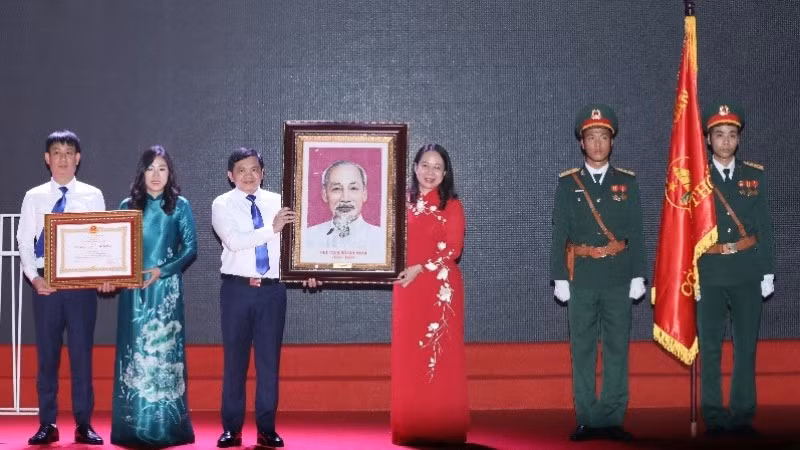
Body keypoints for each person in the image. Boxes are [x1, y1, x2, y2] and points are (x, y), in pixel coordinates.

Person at [549, 105, 646, 442]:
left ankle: (613, 417)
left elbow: (637, 230)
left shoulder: (627, 182)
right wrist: (559, 276)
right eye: (591, 138)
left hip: (619, 276)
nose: (598, 144)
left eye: (604, 137)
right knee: (584, 349)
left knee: (618, 348)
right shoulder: (568, 184)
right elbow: (558, 232)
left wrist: (639, 275)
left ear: (612, 142)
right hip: (582, 278)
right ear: (582, 143)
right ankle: (587, 417)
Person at [17, 130, 107, 445]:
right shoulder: (34, 196)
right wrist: (33, 276)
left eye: (69, 152)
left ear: (78, 158)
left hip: (82, 287)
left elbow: (102, 240)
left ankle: (84, 424)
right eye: (57, 152)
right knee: (47, 358)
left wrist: (105, 272)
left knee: (81, 356)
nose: (63, 159)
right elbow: (24, 240)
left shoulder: (93, 195)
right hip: (46, 285)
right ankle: (48, 423)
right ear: (47, 159)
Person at [696, 102, 775, 437]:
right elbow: (685, 229)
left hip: (745, 270)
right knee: (710, 347)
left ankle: (743, 414)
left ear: (738, 139)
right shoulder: (696, 179)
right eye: (719, 135)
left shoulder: (753, 175)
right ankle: (713, 415)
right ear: (708, 139)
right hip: (710, 271)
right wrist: (691, 273)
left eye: (731, 135)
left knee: (745, 346)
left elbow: (765, 228)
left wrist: (768, 271)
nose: (725, 141)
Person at [110, 146, 197, 446]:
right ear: (141, 173)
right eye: (150, 168)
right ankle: (131, 426)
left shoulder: (180, 206)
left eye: (162, 168)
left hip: (166, 291)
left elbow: (190, 249)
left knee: (164, 353)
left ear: (170, 172)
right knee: (133, 352)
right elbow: (116, 252)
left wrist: (163, 270)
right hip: (133, 293)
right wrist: (119, 275)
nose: (156, 174)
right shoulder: (127, 205)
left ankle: (167, 428)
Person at [211, 148, 296, 448]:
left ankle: (266, 428)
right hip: (237, 290)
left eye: (254, 169)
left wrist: (309, 268)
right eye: (241, 170)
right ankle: (232, 429)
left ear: (263, 172)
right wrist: (270, 229)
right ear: (230, 175)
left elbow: (295, 247)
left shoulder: (280, 201)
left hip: (272, 292)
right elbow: (233, 242)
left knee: (269, 363)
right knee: (234, 362)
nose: (249, 175)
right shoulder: (222, 204)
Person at [391, 143, 469, 445]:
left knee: (440, 355)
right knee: (409, 355)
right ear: (414, 167)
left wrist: (421, 267)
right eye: (425, 165)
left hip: (440, 288)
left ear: (445, 172)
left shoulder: (451, 204)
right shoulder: (401, 203)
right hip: (407, 287)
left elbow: (454, 248)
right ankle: (411, 425)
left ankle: (443, 426)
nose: (430, 172)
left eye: (437, 167)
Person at [301, 160, 385, 263]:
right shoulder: (307, 237)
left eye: (353, 188)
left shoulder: (382, 239)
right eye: (336, 189)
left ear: (364, 194)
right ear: (324, 195)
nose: (345, 198)